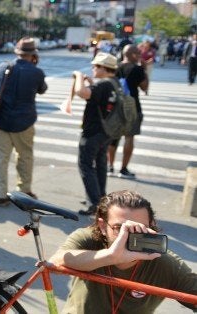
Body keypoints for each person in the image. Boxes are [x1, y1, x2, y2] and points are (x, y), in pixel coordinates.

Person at [49, 190, 196, 313]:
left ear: (151, 226)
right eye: (119, 228)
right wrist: (110, 256)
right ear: (102, 226)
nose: (128, 236)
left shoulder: (162, 262)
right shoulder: (89, 239)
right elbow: (55, 262)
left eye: (139, 228)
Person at [0, 37, 47, 207]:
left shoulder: (2, 67)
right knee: (25, 157)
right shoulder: (36, 72)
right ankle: (24, 189)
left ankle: (1, 194)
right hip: (25, 122)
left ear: (17, 52)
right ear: (33, 54)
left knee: (1, 159)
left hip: (2, 120)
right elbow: (42, 90)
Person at [73, 53, 119, 216]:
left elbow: (81, 92)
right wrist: (91, 83)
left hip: (93, 131)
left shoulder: (103, 85)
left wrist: (78, 76)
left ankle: (94, 203)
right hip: (107, 132)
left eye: (95, 66)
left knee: (85, 164)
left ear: (103, 68)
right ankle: (101, 199)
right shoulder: (114, 83)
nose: (93, 69)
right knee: (100, 164)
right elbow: (98, 99)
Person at [107, 45, 148, 179]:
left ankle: (110, 166)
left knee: (113, 138)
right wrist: (145, 69)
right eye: (137, 53)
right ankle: (123, 169)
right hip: (133, 107)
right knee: (129, 138)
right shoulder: (137, 69)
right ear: (132, 54)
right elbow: (144, 87)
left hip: (115, 107)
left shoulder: (115, 67)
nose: (139, 55)